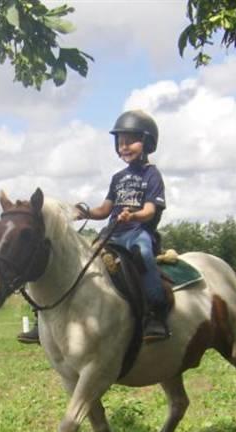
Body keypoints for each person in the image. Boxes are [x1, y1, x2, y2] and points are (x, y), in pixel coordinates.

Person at [76, 109, 170, 342]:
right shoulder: (117, 178)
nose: (124, 147)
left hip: (138, 232)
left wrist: (133, 216)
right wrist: (84, 211)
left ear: (147, 143)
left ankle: (155, 313)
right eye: (120, 142)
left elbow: (149, 211)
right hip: (113, 233)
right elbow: (105, 210)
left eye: (131, 141)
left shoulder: (152, 175)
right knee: (83, 259)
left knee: (144, 255)